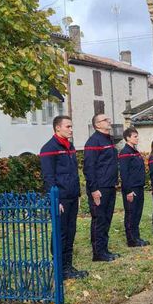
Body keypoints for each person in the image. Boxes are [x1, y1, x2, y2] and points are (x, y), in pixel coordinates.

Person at [39, 116, 88, 280]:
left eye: (71, 126)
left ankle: (68, 266)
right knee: (61, 233)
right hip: (61, 198)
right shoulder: (49, 148)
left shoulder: (70, 147)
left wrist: (78, 194)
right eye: (68, 126)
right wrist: (56, 200)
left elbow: (73, 173)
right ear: (57, 128)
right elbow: (48, 177)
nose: (71, 129)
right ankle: (59, 268)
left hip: (72, 196)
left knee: (71, 232)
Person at [83, 113, 119, 262]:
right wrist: (94, 189)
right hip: (99, 188)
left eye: (108, 119)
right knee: (99, 219)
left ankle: (104, 249)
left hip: (110, 186)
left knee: (107, 219)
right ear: (97, 125)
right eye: (105, 120)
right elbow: (89, 167)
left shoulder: (108, 140)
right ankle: (98, 253)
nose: (109, 121)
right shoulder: (93, 142)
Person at [119, 127, 149, 247]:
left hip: (139, 186)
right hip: (131, 188)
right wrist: (128, 191)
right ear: (127, 138)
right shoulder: (125, 152)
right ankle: (131, 240)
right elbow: (124, 173)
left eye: (137, 136)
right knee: (131, 214)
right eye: (135, 136)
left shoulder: (134, 151)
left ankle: (136, 237)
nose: (137, 138)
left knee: (137, 213)